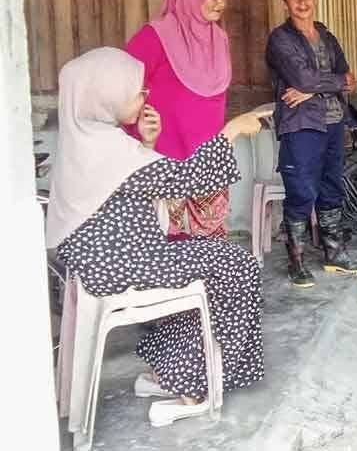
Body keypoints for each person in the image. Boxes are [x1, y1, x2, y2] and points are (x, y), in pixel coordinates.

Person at [47, 48, 266, 427]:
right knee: (238, 266)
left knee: (212, 259)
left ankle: (165, 373)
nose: (144, 98)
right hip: (124, 264)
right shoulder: (108, 145)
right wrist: (231, 130)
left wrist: (147, 144)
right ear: (106, 94)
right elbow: (186, 181)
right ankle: (192, 385)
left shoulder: (87, 137)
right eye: (136, 91)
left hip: (110, 260)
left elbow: (133, 184)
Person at [265, 0, 357, 288]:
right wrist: (321, 85)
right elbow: (314, 80)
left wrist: (313, 87)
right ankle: (296, 260)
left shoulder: (324, 34)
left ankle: (334, 253)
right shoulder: (280, 39)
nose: (302, 1)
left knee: (331, 187)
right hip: (301, 125)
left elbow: (350, 79)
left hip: (334, 121)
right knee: (301, 190)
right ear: (285, 2)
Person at [125, 0, 233, 240]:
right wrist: (137, 137)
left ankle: (209, 282)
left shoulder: (219, 38)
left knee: (212, 233)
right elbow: (125, 86)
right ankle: (178, 283)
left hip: (209, 155)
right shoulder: (154, 36)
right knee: (165, 233)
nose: (220, 2)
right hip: (165, 152)